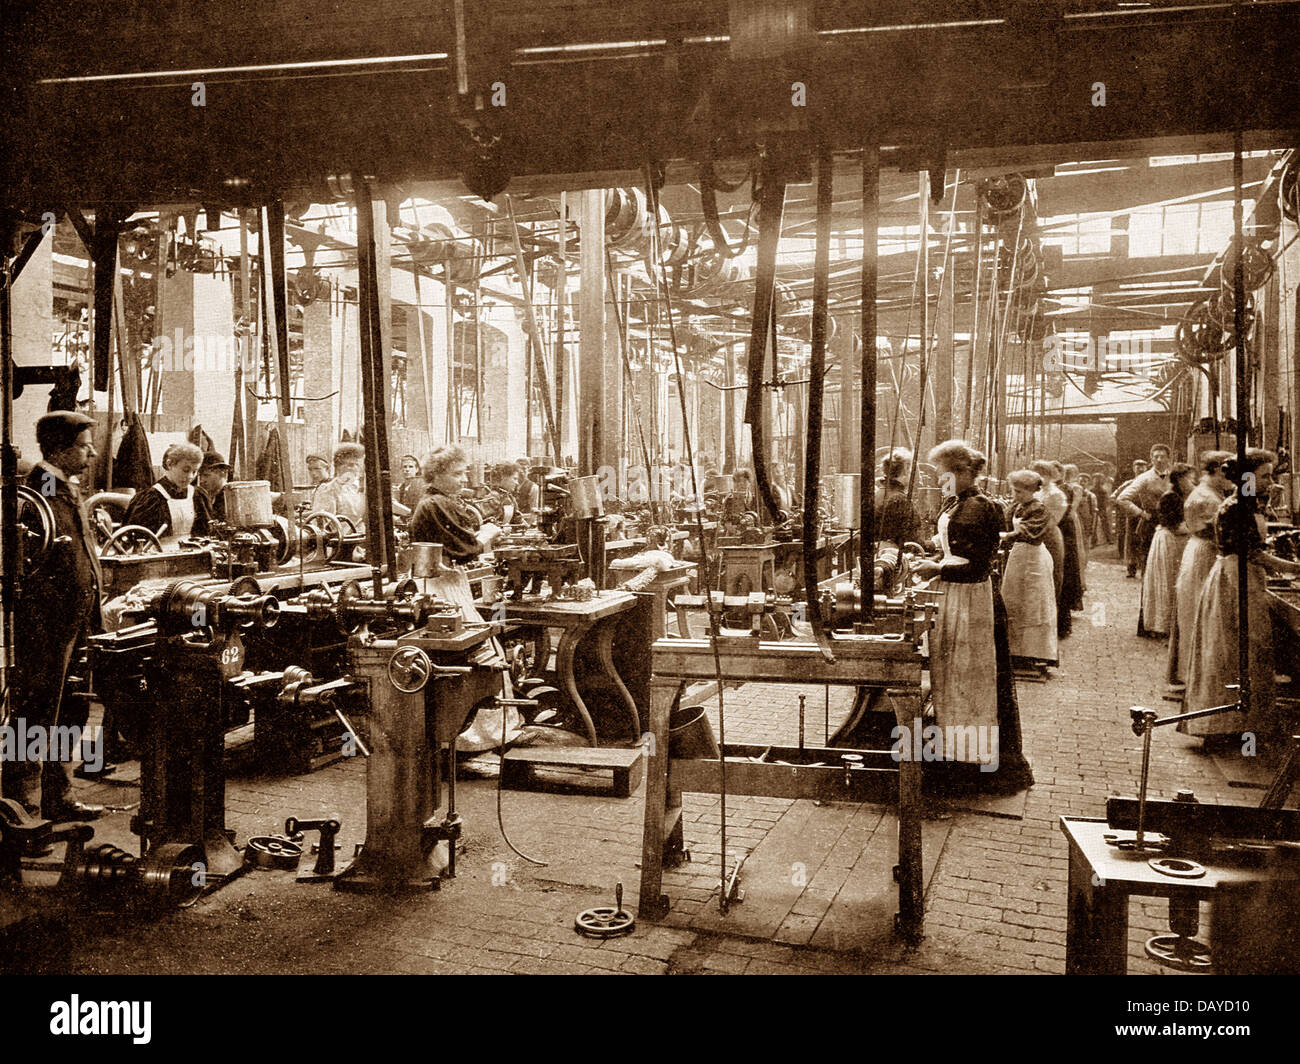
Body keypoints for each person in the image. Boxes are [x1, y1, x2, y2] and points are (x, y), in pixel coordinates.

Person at [911, 440, 1033, 793]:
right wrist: (935, 555)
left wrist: (936, 568)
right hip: (956, 597)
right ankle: (954, 752)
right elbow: (957, 549)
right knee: (953, 677)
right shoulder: (960, 502)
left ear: (963, 473)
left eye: (944, 475)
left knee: (970, 679)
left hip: (970, 601)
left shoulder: (980, 507)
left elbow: (977, 566)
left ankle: (972, 764)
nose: (940, 481)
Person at [2, 411, 104, 821]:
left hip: (76, 619)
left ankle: (58, 796)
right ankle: (22, 805)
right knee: (35, 713)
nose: (92, 453)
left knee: (71, 709)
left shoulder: (66, 488)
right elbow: (29, 566)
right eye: (84, 446)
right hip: (48, 626)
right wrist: (51, 615)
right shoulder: (39, 491)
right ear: (59, 449)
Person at [1182, 450, 1300, 747]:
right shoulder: (1236, 508)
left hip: (1243, 576)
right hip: (1236, 579)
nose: (1271, 481)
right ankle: (1227, 727)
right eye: (1265, 476)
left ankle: (1243, 724)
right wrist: (1295, 568)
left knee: (1246, 648)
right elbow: (1254, 554)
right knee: (1236, 648)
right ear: (1248, 478)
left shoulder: (1245, 504)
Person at [1168, 451, 1232, 693]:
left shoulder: (1209, 492)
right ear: (1217, 471)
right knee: (1199, 612)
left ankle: (1194, 675)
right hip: (1205, 553)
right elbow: (1214, 532)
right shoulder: (1207, 497)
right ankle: (1195, 677)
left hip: (1201, 551)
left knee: (1196, 612)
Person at [999, 469, 1058, 667]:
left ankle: (1033, 652)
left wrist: (1007, 536)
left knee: (1033, 602)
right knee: (1015, 600)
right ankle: (1016, 651)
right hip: (1018, 556)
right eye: (1014, 491)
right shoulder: (1017, 506)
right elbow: (1004, 522)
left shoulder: (1039, 509)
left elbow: (1030, 530)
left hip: (1033, 557)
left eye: (1020, 492)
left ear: (1032, 491)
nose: (1016, 495)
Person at [409, 445, 504, 563]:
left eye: (464, 473)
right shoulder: (437, 503)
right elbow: (464, 552)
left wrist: (476, 536)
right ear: (437, 475)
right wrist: (487, 534)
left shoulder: (433, 500)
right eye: (457, 474)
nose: (465, 479)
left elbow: (452, 542)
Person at [1140, 462, 1193, 638]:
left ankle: (1170, 624)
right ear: (1180, 479)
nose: (1191, 482)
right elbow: (1173, 525)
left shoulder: (1178, 495)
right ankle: (1163, 624)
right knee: (1167, 580)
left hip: (1175, 539)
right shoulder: (1170, 497)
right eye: (1189, 478)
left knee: (1171, 579)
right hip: (1168, 540)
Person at [121, 441, 208, 545]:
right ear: (169, 464)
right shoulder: (151, 498)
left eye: (194, 471)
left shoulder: (197, 495)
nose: (190, 476)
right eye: (185, 470)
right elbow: (133, 537)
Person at [1116, 445, 1173, 578]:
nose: (1159, 460)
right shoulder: (1144, 477)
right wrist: (1141, 513)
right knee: (1149, 564)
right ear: (1151, 459)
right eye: (1156, 457)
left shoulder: (1175, 476)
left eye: (1162, 457)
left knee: (1168, 564)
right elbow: (1122, 498)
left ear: (1168, 459)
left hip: (1172, 523)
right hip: (1152, 523)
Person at [1030, 460, 1069, 637]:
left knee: (1052, 577)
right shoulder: (1037, 492)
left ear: (1049, 475)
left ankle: (1053, 624)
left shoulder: (1056, 495)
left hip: (1049, 537)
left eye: (1041, 474)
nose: (1038, 478)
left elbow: (1052, 520)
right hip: (1035, 535)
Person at [311, 443, 366, 529]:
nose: (354, 468)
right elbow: (321, 526)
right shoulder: (328, 489)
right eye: (350, 465)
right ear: (338, 467)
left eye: (357, 465)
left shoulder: (360, 488)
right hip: (342, 536)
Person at [875, 448, 921, 548]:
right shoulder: (900, 500)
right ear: (906, 470)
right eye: (910, 470)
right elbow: (912, 541)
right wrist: (934, 544)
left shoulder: (878, 493)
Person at [196, 450, 231, 525]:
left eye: (206, 475)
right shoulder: (205, 498)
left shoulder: (230, 498)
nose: (202, 480)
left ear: (222, 473)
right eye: (200, 476)